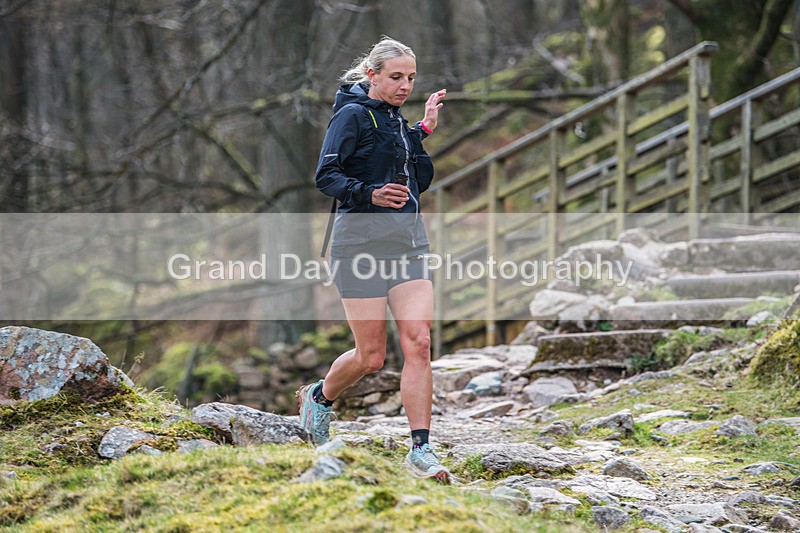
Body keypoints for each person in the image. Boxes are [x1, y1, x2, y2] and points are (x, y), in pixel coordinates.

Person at [297, 36, 450, 483]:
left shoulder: (396, 120)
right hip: (358, 245)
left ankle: (421, 449)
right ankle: (320, 398)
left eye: (411, 78)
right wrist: (370, 194)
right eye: (396, 77)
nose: (405, 86)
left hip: (408, 244)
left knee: (418, 342)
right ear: (373, 76)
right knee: (371, 357)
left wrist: (421, 132)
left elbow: (416, 177)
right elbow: (327, 176)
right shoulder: (351, 115)